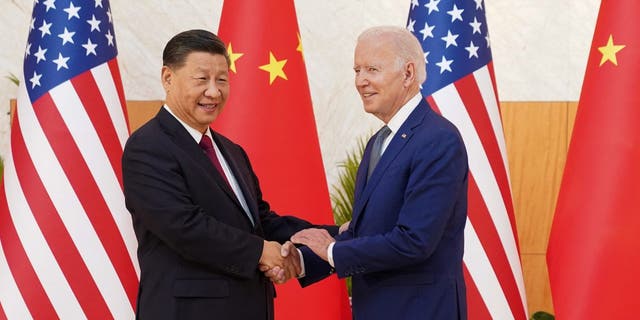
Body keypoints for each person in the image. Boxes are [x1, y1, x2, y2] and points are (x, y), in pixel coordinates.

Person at [122, 29, 337, 320]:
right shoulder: (148, 146)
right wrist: (261, 252)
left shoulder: (231, 151)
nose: (214, 91)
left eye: (222, 80)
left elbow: (260, 222)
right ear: (168, 78)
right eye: (201, 79)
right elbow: (184, 227)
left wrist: (333, 237)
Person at [290, 26, 469, 319]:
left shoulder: (437, 139)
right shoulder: (379, 142)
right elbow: (367, 233)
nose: (361, 81)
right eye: (357, 70)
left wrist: (332, 251)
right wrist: (302, 260)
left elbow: (414, 241)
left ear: (408, 74)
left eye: (372, 69)